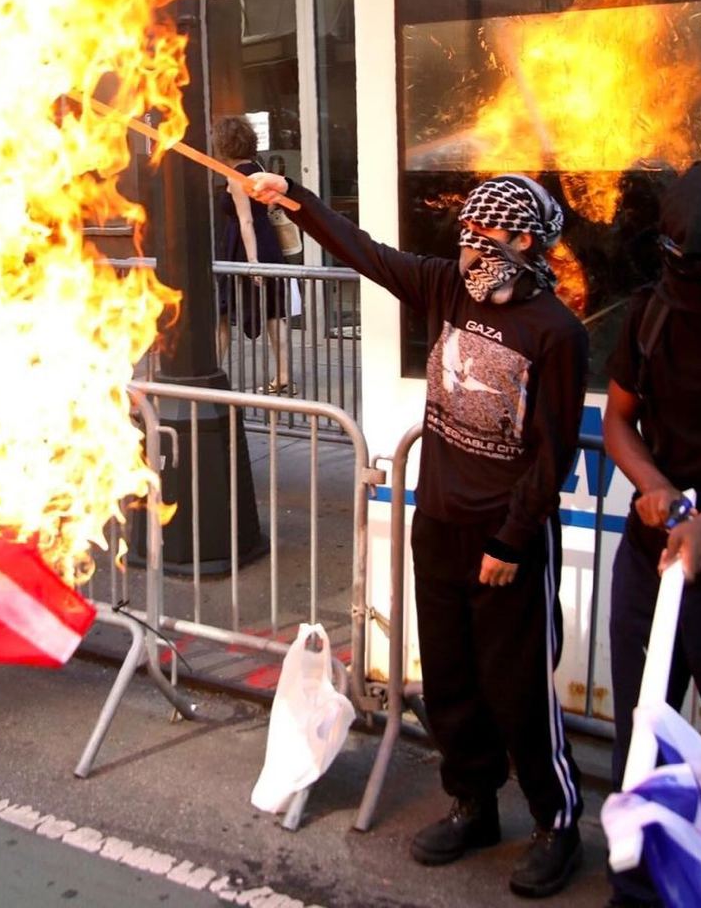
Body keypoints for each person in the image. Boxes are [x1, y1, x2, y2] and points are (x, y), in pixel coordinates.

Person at [249, 168, 587, 898]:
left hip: (507, 541)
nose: (468, 247)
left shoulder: (555, 332)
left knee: (517, 687)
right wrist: (294, 202)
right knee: (452, 680)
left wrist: (511, 541)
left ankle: (556, 822)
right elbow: (366, 252)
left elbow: (553, 451)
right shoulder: (445, 287)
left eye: (485, 234)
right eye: (463, 233)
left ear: (524, 240)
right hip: (437, 524)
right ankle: (473, 805)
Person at [603, 157, 701, 908]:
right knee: (643, 741)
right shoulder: (652, 312)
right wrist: (654, 486)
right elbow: (618, 421)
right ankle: (636, 888)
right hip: (652, 566)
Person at [211, 115, 293, 395]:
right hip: (267, 239)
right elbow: (265, 211)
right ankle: (283, 376)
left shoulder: (236, 178)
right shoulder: (257, 168)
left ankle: (212, 370)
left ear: (222, 145)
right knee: (273, 311)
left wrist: (253, 262)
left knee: (224, 310)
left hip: (245, 248)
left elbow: (244, 221)